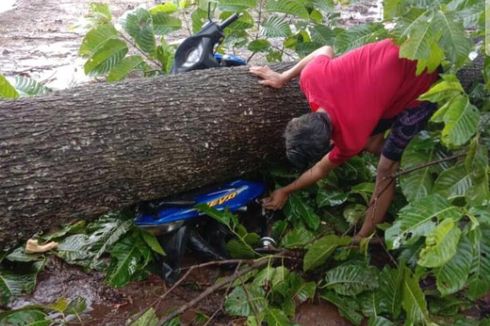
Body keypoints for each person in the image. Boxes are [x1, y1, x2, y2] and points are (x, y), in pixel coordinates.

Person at [249, 39, 440, 239]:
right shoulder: (311, 77)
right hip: (409, 41)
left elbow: (322, 168)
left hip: (424, 79)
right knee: (370, 133)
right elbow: (325, 48)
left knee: (385, 169)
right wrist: (283, 77)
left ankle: (363, 236)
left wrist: (287, 190)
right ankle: (377, 142)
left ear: (330, 143)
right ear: (297, 120)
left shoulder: (351, 139)